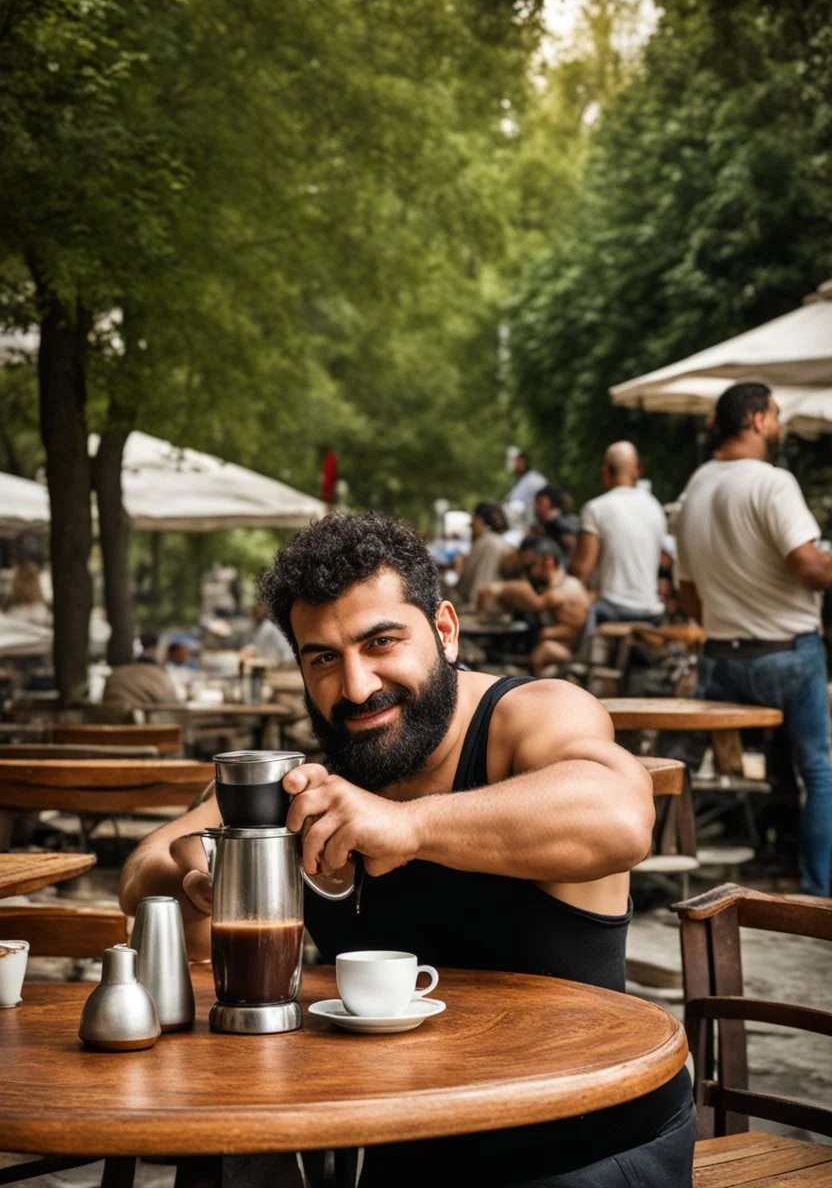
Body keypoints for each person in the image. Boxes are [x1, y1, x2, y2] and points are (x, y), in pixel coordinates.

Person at [120, 512, 694, 1186]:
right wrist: (202, 868)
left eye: (382, 642)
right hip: (394, 1145)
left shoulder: (531, 715)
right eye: (324, 659)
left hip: (583, 1150)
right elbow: (142, 870)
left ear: (445, 631)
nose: (357, 686)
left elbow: (622, 816)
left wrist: (408, 826)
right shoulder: (321, 772)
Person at [675, 381, 832, 898]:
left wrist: (727, 617)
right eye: (777, 414)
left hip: (721, 657)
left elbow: (689, 594)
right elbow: (808, 565)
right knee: (818, 771)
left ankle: (680, 874)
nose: (779, 425)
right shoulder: (773, 482)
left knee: (690, 768)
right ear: (759, 418)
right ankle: (814, 891)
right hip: (787, 654)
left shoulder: (695, 486)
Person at [570, 442, 666, 637]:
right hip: (652, 610)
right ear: (637, 471)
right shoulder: (655, 507)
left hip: (612, 609)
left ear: (606, 469)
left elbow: (582, 568)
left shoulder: (595, 508)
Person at [478, 538, 589, 673]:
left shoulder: (562, 591)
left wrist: (500, 590)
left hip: (567, 651)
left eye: (530, 567)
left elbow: (534, 602)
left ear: (549, 563)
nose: (526, 574)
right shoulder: (555, 588)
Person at [455, 501, 509, 611]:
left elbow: (472, 585)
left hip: (477, 609)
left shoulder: (486, 543)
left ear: (478, 520)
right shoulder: (499, 542)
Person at [102, 632, 179, 708]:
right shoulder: (159, 676)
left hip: (105, 718)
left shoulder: (114, 674)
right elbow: (174, 707)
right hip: (137, 718)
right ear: (156, 648)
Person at [534, 485, 580, 558]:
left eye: (540, 502)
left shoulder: (559, 524)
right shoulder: (553, 523)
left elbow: (571, 544)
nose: (536, 507)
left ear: (552, 503)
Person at [505, 451, 547, 528]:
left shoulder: (535, 480)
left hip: (531, 526)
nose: (514, 465)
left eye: (516, 462)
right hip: (518, 524)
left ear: (522, 462)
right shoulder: (520, 480)